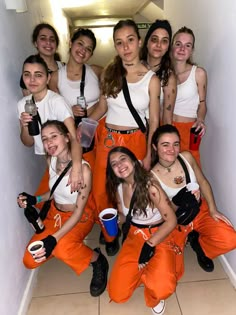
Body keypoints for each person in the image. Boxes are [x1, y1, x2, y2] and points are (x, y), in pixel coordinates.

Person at [89, 19, 160, 256]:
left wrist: (150, 153)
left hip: (136, 140)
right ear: (115, 46)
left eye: (130, 40)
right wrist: (78, 122)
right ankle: (110, 233)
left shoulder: (152, 79)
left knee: (133, 188)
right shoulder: (110, 73)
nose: (126, 47)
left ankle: (132, 227)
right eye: (119, 43)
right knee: (102, 190)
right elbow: (100, 109)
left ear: (139, 42)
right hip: (108, 138)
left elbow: (155, 121)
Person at [17, 120, 109, 297]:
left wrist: (53, 239)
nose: (49, 142)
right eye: (45, 139)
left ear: (67, 138)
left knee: (61, 247)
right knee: (30, 260)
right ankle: (60, 245)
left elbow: (79, 211)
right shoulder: (52, 160)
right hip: (54, 215)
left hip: (79, 217)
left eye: (54, 136)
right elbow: (54, 191)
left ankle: (98, 260)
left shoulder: (83, 170)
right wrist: (34, 199)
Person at [151, 124, 236, 277]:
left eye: (175, 144)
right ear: (155, 147)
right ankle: (185, 239)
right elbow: (164, 213)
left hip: (199, 210)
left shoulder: (187, 157)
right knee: (173, 272)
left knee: (230, 239)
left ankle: (201, 247)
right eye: (165, 144)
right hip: (175, 221)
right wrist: (179, 200)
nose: (172, 149)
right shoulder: (151, 178)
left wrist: (212, 209)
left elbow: (202, 182)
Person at [106, 146, 178, 315]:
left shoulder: (150, 186)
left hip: (159, 234)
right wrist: (117, 219)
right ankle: (148, 272)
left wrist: (150, 245)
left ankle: (152, 287)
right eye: (114, 163)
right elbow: (126, 216)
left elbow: (171, 220)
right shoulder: (118, 188)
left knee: (162, 289)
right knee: (117, 295)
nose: (119, 165)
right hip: (134, 235)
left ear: (133, 161)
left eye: (123, 159)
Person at [17, 55, 83, 201]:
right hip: (49, 159)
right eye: (27, 75)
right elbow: (28, 142)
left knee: (74, 194)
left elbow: (73, 137)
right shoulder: (22, 104)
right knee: (59, 194)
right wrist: (24, 125)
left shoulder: (57, 101)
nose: (32, 80)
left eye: (38, 75)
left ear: (47, 79)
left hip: (68, 156)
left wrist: (77, 167)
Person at [49, 28, 102, 169]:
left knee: (101, 171)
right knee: (84, 168)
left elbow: (108, 99)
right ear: (71, 43)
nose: (83, 50)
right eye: (80, 44)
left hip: (100, 128)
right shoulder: (55, 77)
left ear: (91, 54)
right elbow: (55, 110)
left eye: (89, 49)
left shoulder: (97, 71)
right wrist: (69, 110)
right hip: (76, 133)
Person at [171, 26, 207, 165]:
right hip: (165, 128)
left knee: (191, 174)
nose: (182, 49)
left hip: (188, 130)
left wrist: (200, 119)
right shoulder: (162, 74)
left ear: (192, 50)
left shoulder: (198, 73)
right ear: (172, 46)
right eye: (178, 44)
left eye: (188, 45)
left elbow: (203, 104)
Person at [141, 19, 177, 124]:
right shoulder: (134, 68)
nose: (159, 45)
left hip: (152, 131)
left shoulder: (168, 77)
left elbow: (167, 119)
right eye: (154, 39)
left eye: (164, 41)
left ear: (168, 47)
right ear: (147, 42)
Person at [20, 23, 64, 96]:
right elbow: (30, 103)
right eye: (43, 38)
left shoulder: (65, 67)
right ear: (35, 43)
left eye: (52, 39)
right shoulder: (30, 72)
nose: (48, 42)